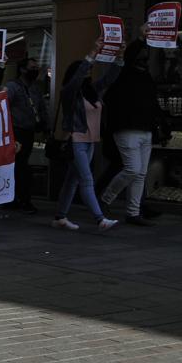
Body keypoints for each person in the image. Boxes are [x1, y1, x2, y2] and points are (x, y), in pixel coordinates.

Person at [53, 41, 123, 232]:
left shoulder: (92, 92)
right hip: (76, 140)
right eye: (86, 70)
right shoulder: (69, 93)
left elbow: (109, 79)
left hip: (90, 141)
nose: (89, 72)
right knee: (86, 179)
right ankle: (99, 219)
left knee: (72, 180)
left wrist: (119, 58)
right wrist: (91, 54)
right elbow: (75, 81)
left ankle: (60, 216)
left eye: (90, 70)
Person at [100, 35, 165, 226]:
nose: (144, 61)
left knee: (140, 174)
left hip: (144, 129)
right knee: (133, 169)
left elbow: (153, 104)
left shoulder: (145, 78)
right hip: (127, 129)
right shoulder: (124, 75)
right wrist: (140, 38)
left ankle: (133, 212)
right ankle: (106, 198)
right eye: (141, 57)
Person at [5, 57, 47, 214]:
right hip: (17, 130)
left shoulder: (35, 88)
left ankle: (20, 197)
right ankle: (19, 198)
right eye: (32, 67)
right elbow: (5, 107)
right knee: (20, 166)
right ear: (23, 69)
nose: (35, 70)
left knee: (22, 165)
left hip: (29, 130)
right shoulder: (13, 87)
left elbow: (41, 107)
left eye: (36, 67)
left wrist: (44, 125)